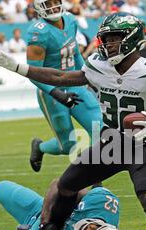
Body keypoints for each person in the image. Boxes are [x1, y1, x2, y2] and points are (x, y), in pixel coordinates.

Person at [0, 12, 146, 230]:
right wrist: (19, 68)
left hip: (139, 144)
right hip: (110, 142)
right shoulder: (98, 65)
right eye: (107, 40)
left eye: (115, 39)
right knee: (67, 186)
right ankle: (52, 229)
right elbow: (60, 77)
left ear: (132, 39)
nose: (109, 45)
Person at [25, 0, 102, 172]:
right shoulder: (38, 32)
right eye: (47, 3)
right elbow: (32, 72)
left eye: (55, 2)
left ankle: (96, 180)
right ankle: (40, 147)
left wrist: (86, 76)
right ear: (38, 7)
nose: (52, 7)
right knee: (68, 145)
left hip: (74, 83)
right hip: (51, 90)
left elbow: (75, 52)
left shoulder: (70, 20)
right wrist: (56, 93)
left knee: (99, 128)